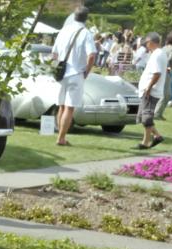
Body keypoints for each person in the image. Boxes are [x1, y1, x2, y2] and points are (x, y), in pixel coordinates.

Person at [52, 7, 96, 147]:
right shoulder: (86, 33)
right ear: (86, 18)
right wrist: (86, 72)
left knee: (61, 106)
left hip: (61, 72)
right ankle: (61, 138)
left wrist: (56, 67)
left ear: (73, 16)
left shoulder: (63, 30)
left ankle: (60, 135)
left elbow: (54, 54)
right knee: (69, 108)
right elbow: (92, 55)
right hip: (76, 73)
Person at [136, 32, 166, 150]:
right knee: (142, 116)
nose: (146, 46)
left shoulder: (157, 55)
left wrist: (148, 88)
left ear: (151, 42)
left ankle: (145, 142)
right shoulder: (158, 53)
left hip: (151, 91)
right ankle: (157, 136)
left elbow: (157, 73)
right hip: (149, 90)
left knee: (146, 118)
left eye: (147, 43)